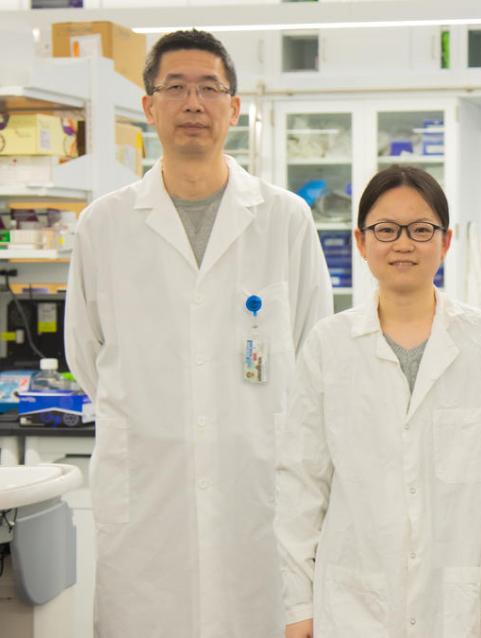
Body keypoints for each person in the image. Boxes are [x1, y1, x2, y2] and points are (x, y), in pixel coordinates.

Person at [65, 29, 332, 637]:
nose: (193, 104)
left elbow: (316, 351)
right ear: (149, 105)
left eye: (210, 88)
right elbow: (85, 352)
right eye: (176, 87)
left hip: (257, 489)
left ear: (234, 108)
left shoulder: (284, 219)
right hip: (147, 493)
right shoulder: (104, 225)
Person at [278, 165, 481, 638]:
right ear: (362, 243)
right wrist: (298, 605)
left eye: (422, 230)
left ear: (445, 243)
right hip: (350, 601)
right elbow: (302, 484)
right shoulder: (329, 345)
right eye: (386, 230)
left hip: (458, 603)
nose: (403, 244)